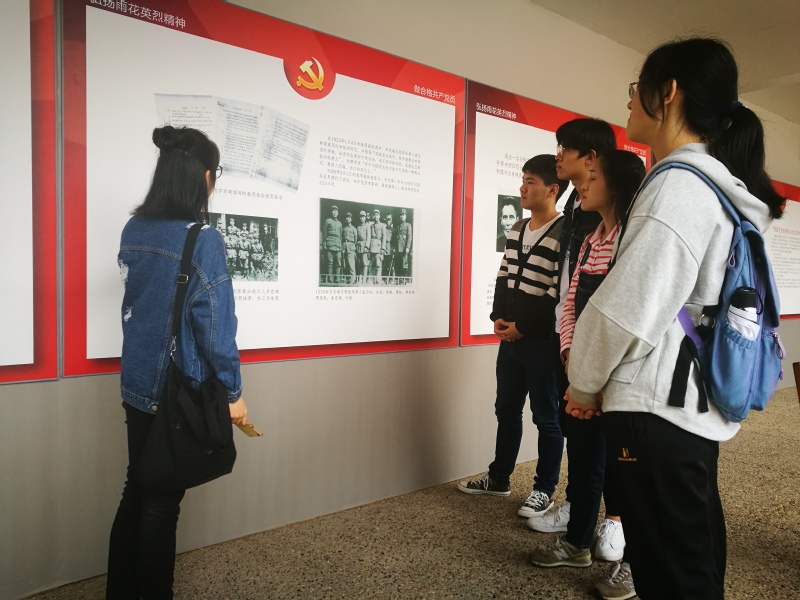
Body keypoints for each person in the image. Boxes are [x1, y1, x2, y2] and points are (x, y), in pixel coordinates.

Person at [566, 38, 784, 600]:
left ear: (669, 93)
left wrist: (584, 383)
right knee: (691, 562)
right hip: (687, 408)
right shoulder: (714, 186)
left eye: (636, 89)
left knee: (671, 576)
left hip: (656, 411)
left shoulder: (678, 186)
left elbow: (627, 308)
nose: (629, 101)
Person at [108, 125, 249, 600]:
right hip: (176, 389)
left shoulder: (134, 229)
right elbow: (215, 328)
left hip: (136, 382)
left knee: (136, 488)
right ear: (204, 176)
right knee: (161, 503)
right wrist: (233, 392)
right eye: (216, 175)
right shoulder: (202, 239)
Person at [529, 151, 645, 588]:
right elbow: (571, 305)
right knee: (583, 463)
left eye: (593, 177)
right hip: (582, 372)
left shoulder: (632, 239)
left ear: (616, 185)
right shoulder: (591, 240)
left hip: (617, 379)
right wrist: (572, 361)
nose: (583, 185)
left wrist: (595, 379)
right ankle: (577, 543)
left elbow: (625, 318)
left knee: (627, 474)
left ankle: (635, 562)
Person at [458, 155, 569, 519]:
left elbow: (555, 292)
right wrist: (498, 318)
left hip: (541, 343)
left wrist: (524, 327)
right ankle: (499, 477)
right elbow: (504, 276)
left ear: (552, 189)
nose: (522, 187)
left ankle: (544, 489)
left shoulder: (563, 232)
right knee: (506, 409)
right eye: (523, 179)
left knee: (547, 417)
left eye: (531, 181)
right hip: (510, 341)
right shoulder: (517, 229)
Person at [526, 118, 616, 540]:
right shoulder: (577, 209)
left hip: (594, 345)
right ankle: (580, 507)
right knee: (577, 432)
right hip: (567, 339)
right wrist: (565, 344)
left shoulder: (609, 214)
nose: (557, 155)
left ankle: (614, 520)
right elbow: (569, 285)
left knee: (604, 435)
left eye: (565, 148)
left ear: (591, 157)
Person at [321, 205, 343, 284]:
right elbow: (325, 233)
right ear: (331, 212)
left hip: (338, 245)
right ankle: (330, 279)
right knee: (330, 263)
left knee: (338, 263)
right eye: (333, 211)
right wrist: (325, 242)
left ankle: (337, 279)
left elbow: (340, 235)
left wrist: (340, 244)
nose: (334, 212)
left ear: (338, 213)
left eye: (336, 211)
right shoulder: (327, 221)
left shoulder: (340, 223)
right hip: (330, 243)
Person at [368, 209, 386, 283]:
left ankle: (378, 280)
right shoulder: (371, 226)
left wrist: (383, 248)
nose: (375, 217)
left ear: (379, 216)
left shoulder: (382, 225)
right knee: (372, 264)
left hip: (378, 248)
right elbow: (369, 237)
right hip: (372, 247)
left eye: (377, 215)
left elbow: (384, 237)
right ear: (373, 216)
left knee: (378, 264)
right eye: (374, 215)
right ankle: (371, 280)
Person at [395, 208, 413, 280]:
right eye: (401, 215)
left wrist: (407, 247)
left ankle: (404, 279)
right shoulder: (398, 226)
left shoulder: (408, 225)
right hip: (398, 247)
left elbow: (409, 237)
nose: (402, 216)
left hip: (404, 247)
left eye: (403, 215)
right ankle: (400, 279)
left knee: (405, 264)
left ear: (406, 216)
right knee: (399, 263)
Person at [342, 212, 358, 285]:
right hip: (344, 247)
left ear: (351, 219)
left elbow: (355, 240)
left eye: (349, 217)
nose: (347, 219)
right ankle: (347, 278)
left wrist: (352, 245)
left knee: (351, 264)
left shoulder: (354, 229)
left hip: (351, 247)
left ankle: (353, 279)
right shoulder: (344, 228)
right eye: (346, 217)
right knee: (345, 264)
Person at [356, 210, 371, 283]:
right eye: (361, 217)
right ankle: (360, 279)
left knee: (365, 263)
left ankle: (364, 279)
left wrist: (367, 246)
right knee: (359, 263)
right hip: (359, 246)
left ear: (365, 218)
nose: (362, 218)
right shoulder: (358, 227)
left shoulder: (367, 226)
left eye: (363, 217)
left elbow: (368, 237)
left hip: (364, 246)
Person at [382, 213, 396, 282]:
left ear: (391, 220)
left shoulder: (393, 230)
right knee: (384, 265)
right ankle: (384, 279)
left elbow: (395, 241)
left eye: (389, 219)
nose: (388, 221)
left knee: (391, 265)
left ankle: (391, 280)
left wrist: (394, 248)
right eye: (387, 219)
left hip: (391, 249)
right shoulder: (383, 229)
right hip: (385, 249)